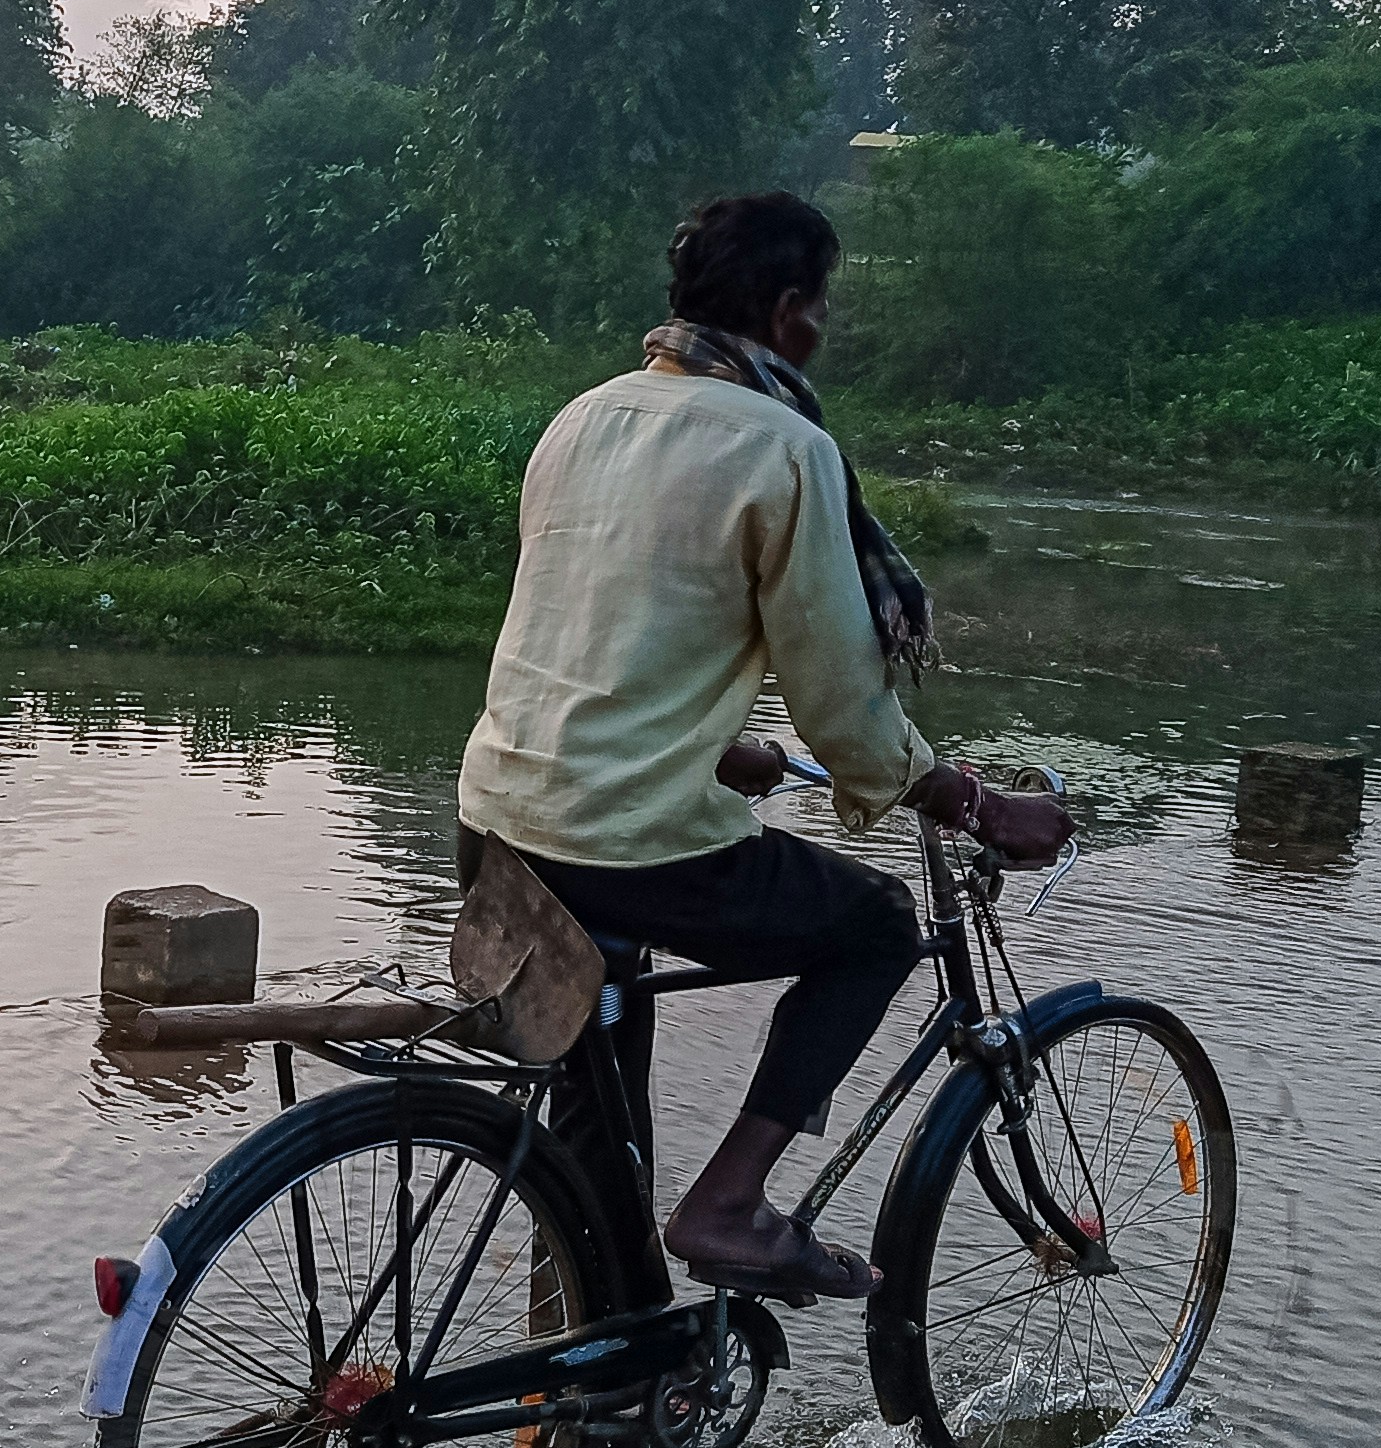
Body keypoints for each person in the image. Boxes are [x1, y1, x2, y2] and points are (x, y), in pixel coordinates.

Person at [456, 191, 1068, 1302]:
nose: (821, 325)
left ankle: (607, 1410)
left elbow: (606, 626)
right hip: (620, 839)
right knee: (872, 928)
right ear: (788, 310)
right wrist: (966, 800)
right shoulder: (784, 446)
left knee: (604, 1155)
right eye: (820, 303)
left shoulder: (583, 416)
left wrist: (714, 740)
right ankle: (732, 1200)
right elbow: (841, 702)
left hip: (498, 813)